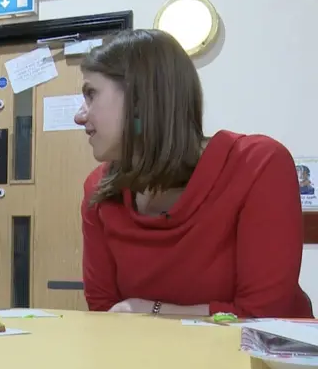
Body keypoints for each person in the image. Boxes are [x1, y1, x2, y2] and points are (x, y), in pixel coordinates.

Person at [75, 29, 313, 319]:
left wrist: (152, 310)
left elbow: (263, 315)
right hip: (149, 359)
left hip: (259, 361)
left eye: (91, 94)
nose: (79, 115)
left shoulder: (257, 165)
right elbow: (105, 314)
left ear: (139, 99)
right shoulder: (99, 190)